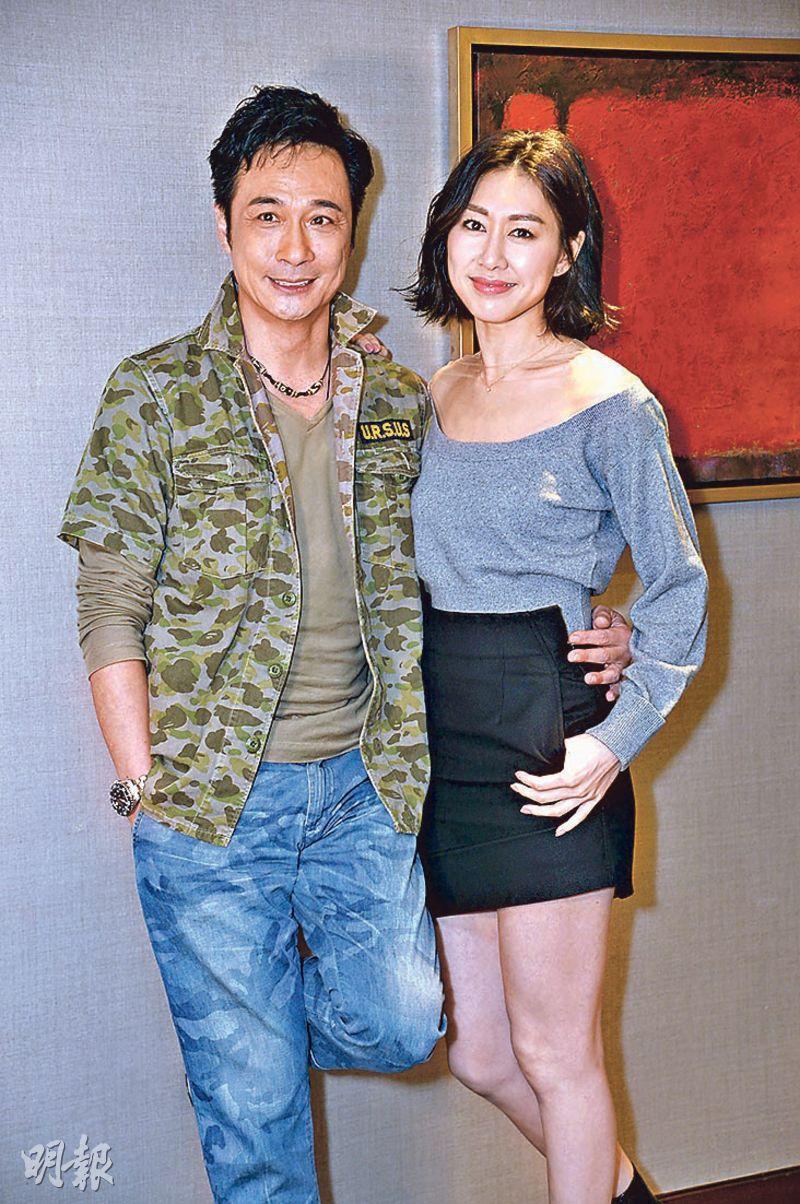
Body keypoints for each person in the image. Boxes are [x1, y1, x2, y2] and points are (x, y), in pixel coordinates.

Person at [58, 86, 633, 1203]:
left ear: (351, 234)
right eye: (265, 214)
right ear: (223, 225)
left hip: (366, 790)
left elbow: (485, 549)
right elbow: (109, 604)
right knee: (259, 1135)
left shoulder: (401, 400)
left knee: (403, 1020)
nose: (294, 246)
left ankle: (247, 1042)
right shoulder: (154, 394)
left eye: (321, 217)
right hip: (210, 803)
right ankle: (243, 1064)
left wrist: (602, 624)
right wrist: (142, 786)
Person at [406, 128, 708, 1204]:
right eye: (473, 224)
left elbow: (678, 588)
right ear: (445, 236)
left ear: (568, 249)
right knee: (483, 1053)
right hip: (444, 740)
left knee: (554, 1051)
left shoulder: (611, 403)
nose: (491, 255)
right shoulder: (432, 397)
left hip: (550, 742)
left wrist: (612, 744)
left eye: (524, 231)